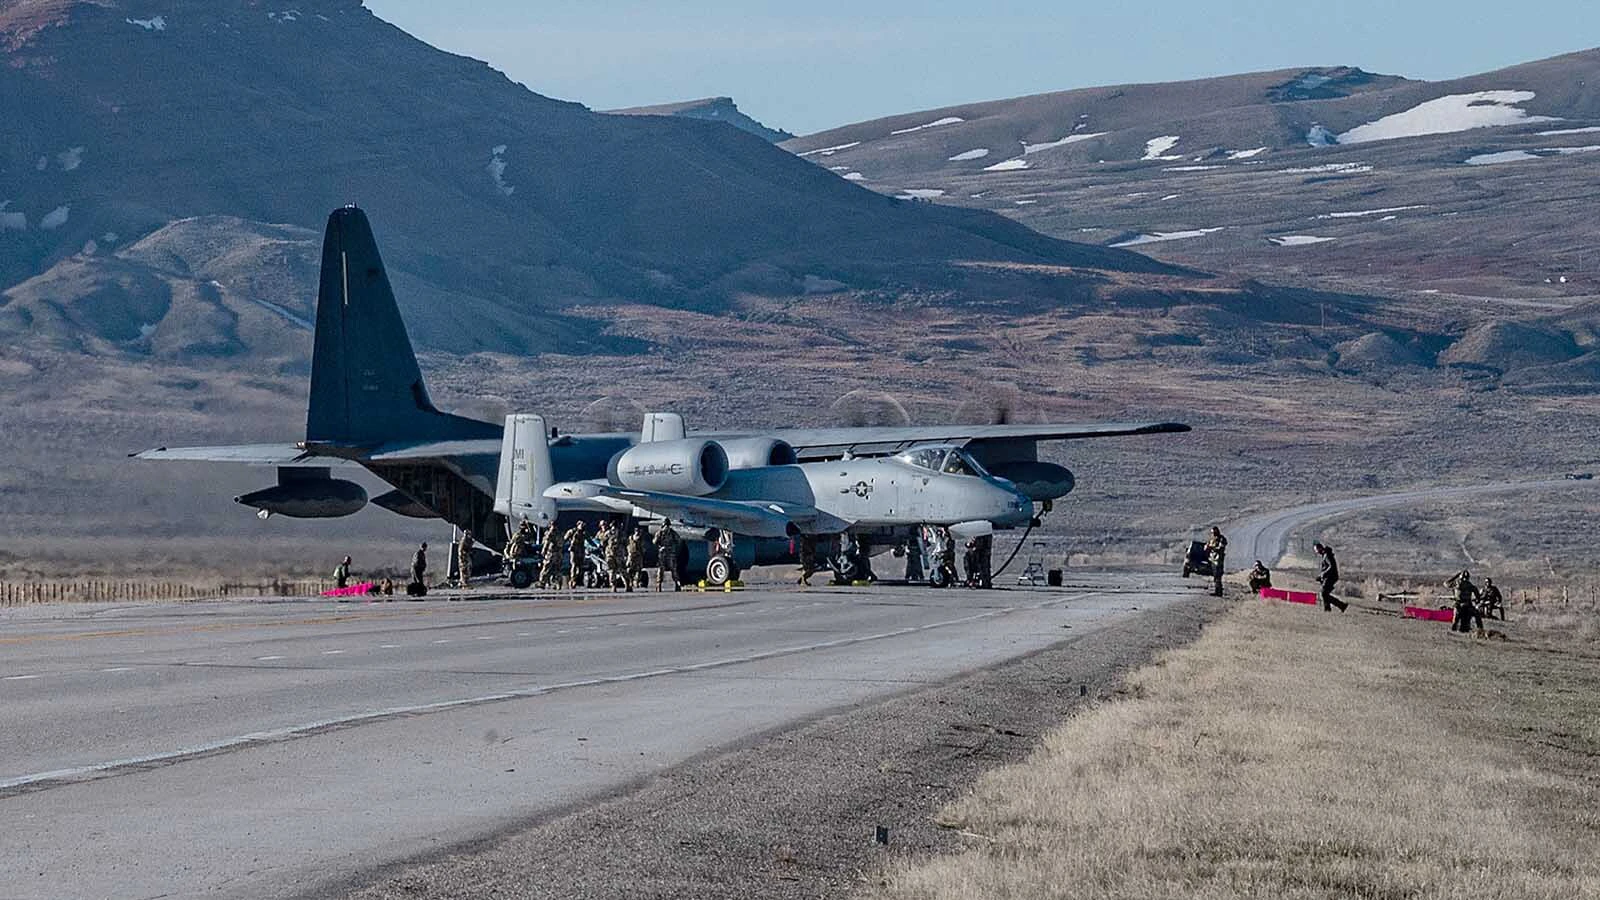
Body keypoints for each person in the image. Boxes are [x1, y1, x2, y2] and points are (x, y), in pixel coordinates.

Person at [1312, 542, 1347, 612]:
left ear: (1320, 548)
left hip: (1331, 577)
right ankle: (1330, 608)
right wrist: (1321, 577)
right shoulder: (1325, 554)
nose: (1316, 552)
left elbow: (1331, 566)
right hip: (1329, 577)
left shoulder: (1327, 555)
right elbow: (1327, 567)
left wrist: (1323, 575)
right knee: (1324, 593)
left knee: (1324, 593)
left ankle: (1340, 605)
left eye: (1316, 550)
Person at [654, 520, 680, 592]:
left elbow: (678, 540)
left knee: (673, 569)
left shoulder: (672, 533)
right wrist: (659, 535)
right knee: (660, 570)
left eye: (668, 525)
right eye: (665, 525)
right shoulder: (660, 533)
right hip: (662, 554)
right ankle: (658, 585)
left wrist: (672, 547)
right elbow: (654, 542)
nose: (667, 527)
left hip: (670, 553)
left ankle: (677, 584)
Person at [1205, 526, 1228, 597]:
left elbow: (1221, 548)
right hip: (1212, 559)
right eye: (1212, 533)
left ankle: (1219, 591)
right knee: (1215, 576)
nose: (1213, 534)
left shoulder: (1221, 539)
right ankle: (1217, 590)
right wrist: (1207, 548)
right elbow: (1206, 546)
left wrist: (1212, 548)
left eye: (1214, 532)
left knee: (1218, 576)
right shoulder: (1211, 539)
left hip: (1218, 560)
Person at [565, 521, 588, 589]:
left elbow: (589, 540)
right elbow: (565, 538)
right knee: (574, 565)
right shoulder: (572, 531)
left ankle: (575, 579)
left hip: (581, 551)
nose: (582, 526)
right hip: (574, 551)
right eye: (581, 525)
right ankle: (572, 580)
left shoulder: (584, 533)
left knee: (580, 567)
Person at [538, 524, 562, 589]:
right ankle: (557, 583)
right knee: (557, 569)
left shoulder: (551, 533)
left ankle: (542, 582)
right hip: (559, 553)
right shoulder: (559, 533)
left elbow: (547, 542)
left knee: (546, 567)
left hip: (551, 553)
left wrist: (544, 551)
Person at [625, 525, 645, 591]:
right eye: (636, 531)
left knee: (638, 570)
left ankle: (636, 581)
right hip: (631, 555)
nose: (637, 532)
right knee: (629, 569)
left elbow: (643, 548)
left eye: (638, 531)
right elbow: (627, 545)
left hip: (638, 556)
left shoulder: (641, 539)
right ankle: (630, 582)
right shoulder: (630, 538)